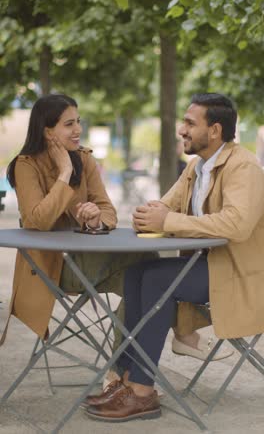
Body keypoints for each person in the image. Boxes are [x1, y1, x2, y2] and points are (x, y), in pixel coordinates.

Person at [84, 93, 264, 422]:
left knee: (157, 279)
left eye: (190, 123)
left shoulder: (244, 167)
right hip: (209, 267)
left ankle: (141, 391)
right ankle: (125, 380)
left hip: (240, 275)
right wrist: (150, 214)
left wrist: (167, 221)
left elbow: (237, 224)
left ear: (215, 131)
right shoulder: (197, 167)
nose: (182, 129)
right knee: (137, 272)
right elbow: (165, 206)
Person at [4, 94, 155, 342]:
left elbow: (109, 212)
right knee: (146, 263)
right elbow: (38, 222)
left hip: (89, 259)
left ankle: (120, 369)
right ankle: (170, 341)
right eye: (69, 124)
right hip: (53, 268)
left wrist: (95, 220)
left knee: (150, 278)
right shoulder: (26, 165)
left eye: (78, 121)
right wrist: (64, 172)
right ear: (47, 131)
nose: (78, 130)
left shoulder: (84, 158)